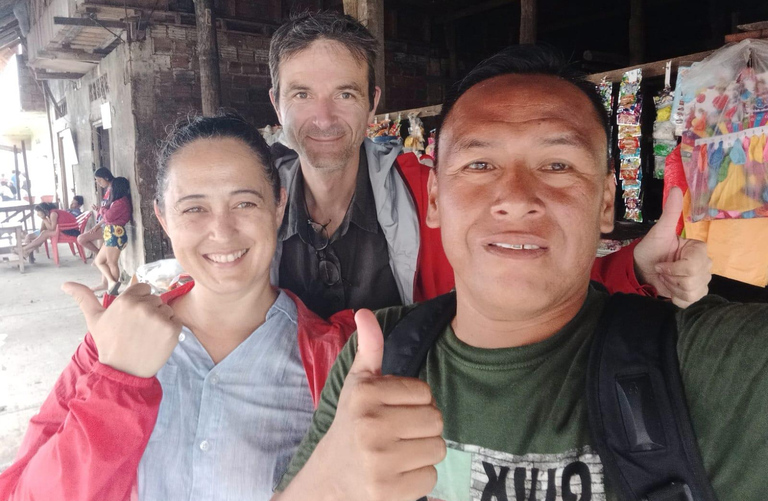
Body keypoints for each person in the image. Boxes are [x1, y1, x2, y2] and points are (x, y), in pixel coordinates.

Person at [265, 46, 768, 501]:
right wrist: (325, 483)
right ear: (435, 200)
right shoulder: (373, 362)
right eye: (480, 163)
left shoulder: (710, 365)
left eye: (557, 164)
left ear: (607, 203)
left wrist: (632, 270)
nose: (515, 196)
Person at [0, 113, 355, 501]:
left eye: (245, 202)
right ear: (163, 219)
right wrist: (117, 384)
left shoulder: (333, 359)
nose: (222, 231)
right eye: (193, 209)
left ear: (278, 206)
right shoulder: (111, 342)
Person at [267, 11, 710, 318]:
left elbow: (532, 274)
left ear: (372, 103)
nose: (323, 119)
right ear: (276, 104)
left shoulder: (433, 189)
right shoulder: (248, 204)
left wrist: (636, 272)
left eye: (345, 94)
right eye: (302, 94)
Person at [92, 178, 132, 295]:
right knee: (99, 261)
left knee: (111, 262)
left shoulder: (121, 202)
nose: (110, 189)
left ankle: (113, 291)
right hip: (111, 233)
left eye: (112, 187)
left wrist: (102, 209)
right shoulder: (117, 201)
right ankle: (111, 283)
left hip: (116, 233)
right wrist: (101, 210)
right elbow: (107, 216)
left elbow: (108, 217)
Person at [78, 167, 114, 291]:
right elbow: (106, 209)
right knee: (105, 259)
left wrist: (97, 225)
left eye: (99, 180)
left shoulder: (114, 190)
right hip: (102, 222)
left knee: (81, 238)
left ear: (106, 177)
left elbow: (111, 213)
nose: (98, 183)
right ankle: (104, 283)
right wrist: (99, 209)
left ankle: (98, 256)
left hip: (106, 226)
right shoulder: (108, 191)